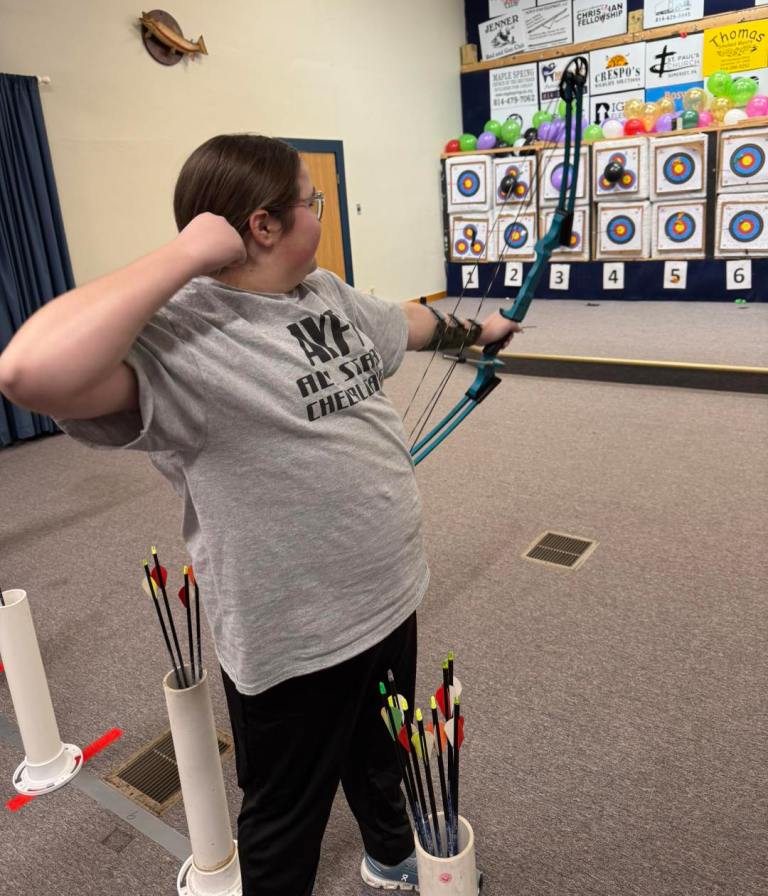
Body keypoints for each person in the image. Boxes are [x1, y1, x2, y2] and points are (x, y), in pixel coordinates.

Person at [0, 134, 517, 895]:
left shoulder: (327, 294)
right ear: (264, 225)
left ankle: (388, 851)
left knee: (382, 748)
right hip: (293, 633)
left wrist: (475, 332)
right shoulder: (183, 340)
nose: (320, 211)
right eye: (311, 200)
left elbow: (401, 320)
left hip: (387, 593)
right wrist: (184, 255)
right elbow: (27, 370)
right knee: (283, 811)